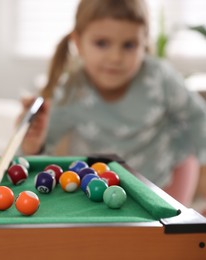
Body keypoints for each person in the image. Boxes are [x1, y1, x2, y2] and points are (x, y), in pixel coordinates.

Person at [19, 0, 206, 207]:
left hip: (164, 177)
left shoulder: (159, 77)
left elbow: (199, 119)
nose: (116, 57)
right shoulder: (71, 90)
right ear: (79, 43)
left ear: (144, 43)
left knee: (167, 233)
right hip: (103, 184)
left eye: (129, 45)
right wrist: (33, 144)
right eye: (102, 43)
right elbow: (38, 155)